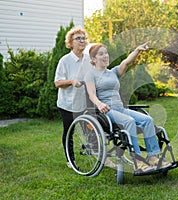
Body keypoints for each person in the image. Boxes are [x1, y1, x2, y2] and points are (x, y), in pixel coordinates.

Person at [85, 42, 171, 172]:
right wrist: (100, 104)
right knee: (129, 121)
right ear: (93, 59)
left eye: (106, 53)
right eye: (101, 54)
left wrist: (137, 50)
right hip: (107, 111)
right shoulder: (90, 75)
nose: (105, 56)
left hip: (120, 108)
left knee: (148, 120)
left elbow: (126, 62)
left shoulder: (113, 72)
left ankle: (153, 156)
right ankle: (137, 160)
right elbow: (91, 94)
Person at [54, 27, 92, 168]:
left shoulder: (88, 59)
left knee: (89, 129)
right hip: (67, 103)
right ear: (70, 42)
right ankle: (70, 160)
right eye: (78, 38)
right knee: (69, 131)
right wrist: (71, 81)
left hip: (84, 102)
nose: (82, 41)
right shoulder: (65, 61)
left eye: (84, 38)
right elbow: (57, 82)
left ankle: (91, 151)